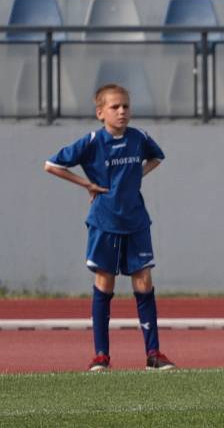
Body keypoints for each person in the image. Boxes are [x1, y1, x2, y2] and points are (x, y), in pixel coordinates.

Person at [44, 84, 175, 372]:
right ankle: (101, 355)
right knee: (105, 282)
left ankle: (153, 354)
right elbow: (51, 165)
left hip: (136, 221)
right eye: (115, 107)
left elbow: (157, 157)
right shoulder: (92, 142)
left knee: (144, 283)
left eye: (126, 106)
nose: (122, 111)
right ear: (100, 112)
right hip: (105, 222)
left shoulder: (139, 139)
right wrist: (87, 184)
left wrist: (135, 176)